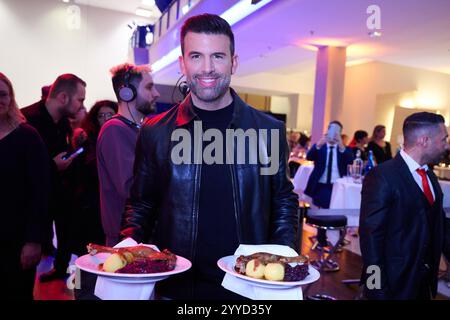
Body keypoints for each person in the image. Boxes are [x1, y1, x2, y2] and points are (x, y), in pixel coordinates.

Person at [120, 13, 299, 300]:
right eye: (196, 56)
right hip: (177, 286)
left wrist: (280, 261)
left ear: (234, 62)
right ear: (183, 63)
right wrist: (127, 252)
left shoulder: (268, 131)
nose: (207, 68)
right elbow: (141, 205)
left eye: (217, 56)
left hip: (249, 286)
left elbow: (282, 201)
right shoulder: (155, 133)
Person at [360, 112, 450, 300]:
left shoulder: (429, 176)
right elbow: (370, 241)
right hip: (392, 285)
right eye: (444, 139)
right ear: (424, 140)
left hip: (422, 282)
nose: (447, 145)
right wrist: (375, 289)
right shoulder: (382, 177)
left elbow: (437, 222)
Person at [22, 73, 86, 282]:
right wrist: (52, 166)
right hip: (27, 206)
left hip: (57, 193)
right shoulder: (27, 120)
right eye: (80, 99)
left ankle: (60, 270)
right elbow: (19, 169)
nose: (81, 106)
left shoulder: (62, 123)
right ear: (63, 97)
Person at [97, 63, 160, 247]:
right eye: (149, 87)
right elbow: (131, 187)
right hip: (125, 240)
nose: (156, 93)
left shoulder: (137, 129)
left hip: (136, 236)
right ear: (127, 92)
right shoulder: (114, 130)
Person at [0, 73, 50, 299]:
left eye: (3, 94)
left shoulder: (28, 136)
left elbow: (41, 193)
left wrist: (34, 240)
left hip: (16, 243)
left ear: (11, 98)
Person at [304, 121, 354, 209]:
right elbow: (309, 157)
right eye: (331, 129)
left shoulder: (344, 149)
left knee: (335, 208)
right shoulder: (320, 147)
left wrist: (341, 145)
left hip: (338, 184)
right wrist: (319, 144)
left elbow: (350, 161)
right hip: (321, 184)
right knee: (324, 205)